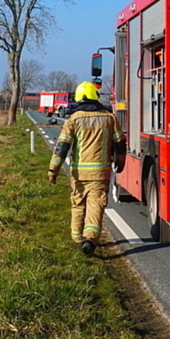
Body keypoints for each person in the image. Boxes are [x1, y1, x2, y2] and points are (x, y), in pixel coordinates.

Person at [47, 81, 125, 256]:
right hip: (101, 172)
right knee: (96, 205)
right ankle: (90, 238)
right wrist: (120, 162)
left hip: (79, 173)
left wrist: (53, 169)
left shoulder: (73, 119)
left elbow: (62, 146)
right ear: (95, 96)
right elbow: (120, 142)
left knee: (78, 203)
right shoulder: (109, 117)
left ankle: (76, 238)